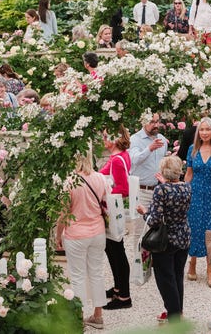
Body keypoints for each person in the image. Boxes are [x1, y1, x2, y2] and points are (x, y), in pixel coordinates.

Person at [55, 151, 109, 330]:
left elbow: (64, 213)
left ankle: (78, 318)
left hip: (76, 233)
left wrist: (57, 235)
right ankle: (98, 315)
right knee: (97, 272)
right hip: (98, 231)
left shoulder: (70, 181)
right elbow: (106, 203)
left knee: (77, 276)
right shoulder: (100, 178)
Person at [136, 155, 191, 323]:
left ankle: (174, 317)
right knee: (177, 276)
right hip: (183, 236)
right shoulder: (186, 187)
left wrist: (144, 212)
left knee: (166, 279)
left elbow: (154, 220)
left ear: (163, 172)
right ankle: (177, 311)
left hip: (165, 240)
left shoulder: (161, 190)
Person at [185, 117, 211, 287]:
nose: (204, 133)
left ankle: (210, 269)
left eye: (207, 129)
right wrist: (183, 191)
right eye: (201, 130)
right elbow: (189, 174)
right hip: (195, 195)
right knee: (194, 228)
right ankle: (193, 262)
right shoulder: (192, 149)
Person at [98, 125, 132, 310]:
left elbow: (124, 189)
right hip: (112, 209)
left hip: (112, 209)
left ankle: (124, 296)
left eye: (105, 136)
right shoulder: (121, 156)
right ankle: (119, 287)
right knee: (113, 251)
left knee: (117, 252)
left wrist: (105, 190)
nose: (104, 140)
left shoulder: (117, 160)